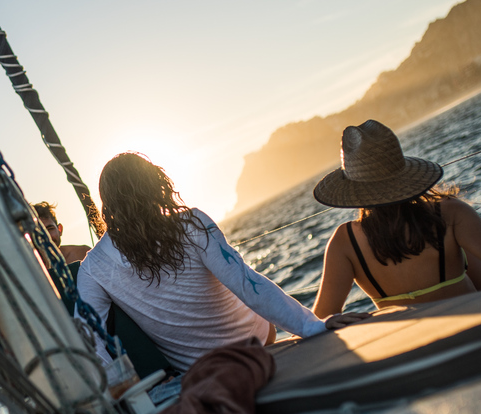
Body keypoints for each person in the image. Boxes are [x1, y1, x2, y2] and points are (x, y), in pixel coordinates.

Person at [77, 152, 369, 372]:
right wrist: (313, 326)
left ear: (107, 204)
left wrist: (118, 394)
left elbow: (88, 338)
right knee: (259, 316)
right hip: (256, 342)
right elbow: (245, 283)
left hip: (202, 370)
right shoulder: (191, 224)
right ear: (155, 186)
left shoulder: (93, 267)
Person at [311, 120, 481, 317]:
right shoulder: (450, 212)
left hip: (415, 347)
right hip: (477, 324)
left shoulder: (345, 241)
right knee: (465, 256)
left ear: (353, 189)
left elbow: (322, 317)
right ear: (403, 173)